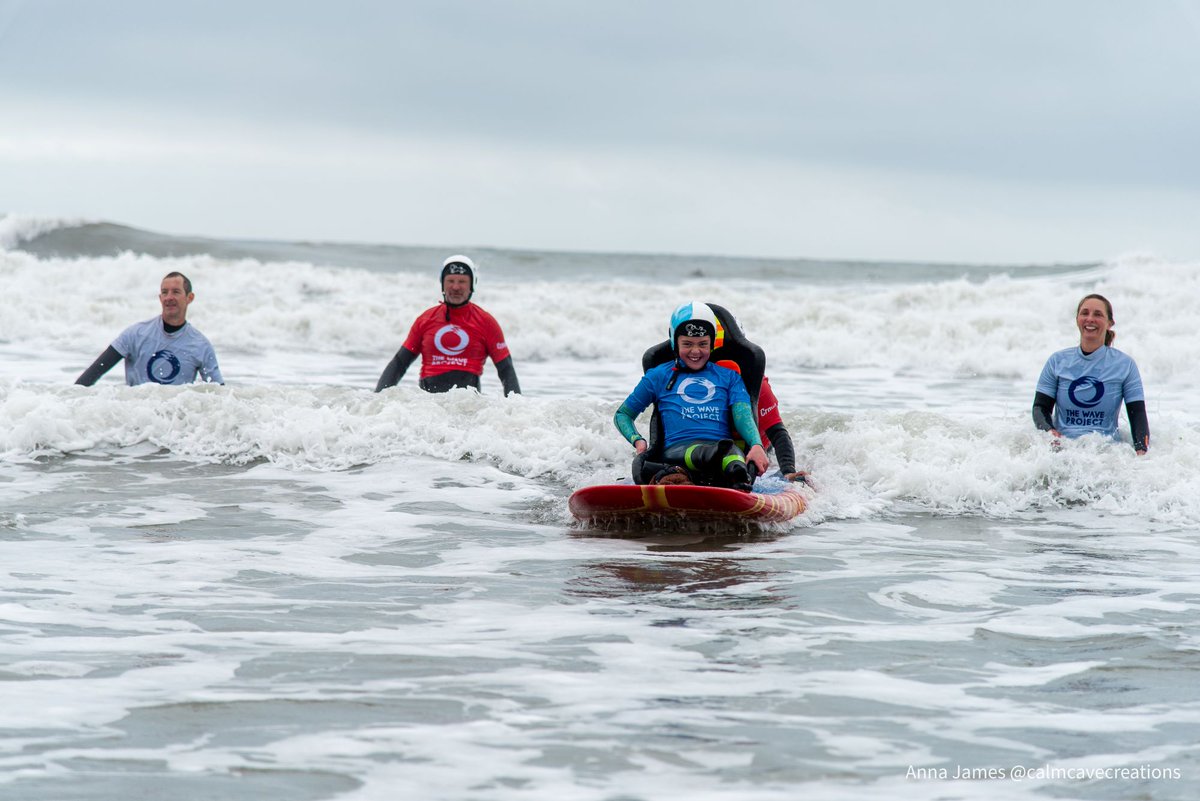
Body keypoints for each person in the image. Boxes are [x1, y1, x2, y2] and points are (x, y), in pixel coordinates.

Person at [614, 302, 769, 491]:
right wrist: (637, 440)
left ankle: (738, 486)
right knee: (726, 451)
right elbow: (623, 415)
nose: (695, 351)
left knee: (731, 453)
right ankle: (720, 477)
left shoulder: (730, 376)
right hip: (677, 454)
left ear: (711, 343)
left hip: (722, 455)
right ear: (675, 343)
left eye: (703, 344)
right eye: (687, 344)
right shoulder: (658, 376)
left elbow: (742, 414)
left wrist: (756, 445)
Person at [376, 255, 521, 396]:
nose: (456, 287)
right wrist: (376, 402)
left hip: (468, 407)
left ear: (472, 285)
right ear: (442, 284)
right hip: (428, 406)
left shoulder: (486, 322)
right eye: (450, 280)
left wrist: (517, 412)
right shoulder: (425, 319)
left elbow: (506, 369)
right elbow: (399, 363)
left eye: (462, 281)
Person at [1032, 293, 1149, 454]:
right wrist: (1049, 432)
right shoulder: (1057, 361)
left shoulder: (1125, 365)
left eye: (1098, 314)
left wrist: (1141, 452)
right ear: (1077, 320)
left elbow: (1138, 415)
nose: (1090, 319)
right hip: (1063, 450)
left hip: (1105, 454)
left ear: (1110, 323)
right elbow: (1040, 407)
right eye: (1085, 313)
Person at [76, 271, 223, 386]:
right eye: (165, 292)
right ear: (160, 298)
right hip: (139, 417)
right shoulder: (135, 334)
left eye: (176, 292)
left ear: (189, 298)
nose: (169, 297)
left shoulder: (200, 345)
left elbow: (220, 395)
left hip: (177, 421)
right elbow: (94, 372)